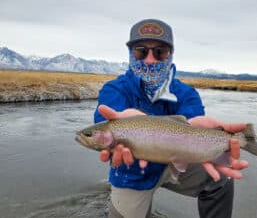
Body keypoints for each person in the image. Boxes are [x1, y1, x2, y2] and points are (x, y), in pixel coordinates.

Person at [94, 19, 249, 218]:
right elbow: (103, 119)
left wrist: (209, 142)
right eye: (141, 51)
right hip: (131, 174)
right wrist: (125, 123)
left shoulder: (185, 93)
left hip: (177, 160)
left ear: (170, 55)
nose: (150, 60)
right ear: (130, 53)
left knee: (221, 175)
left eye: (160, 52)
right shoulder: (114, 89)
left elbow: (193, 128)